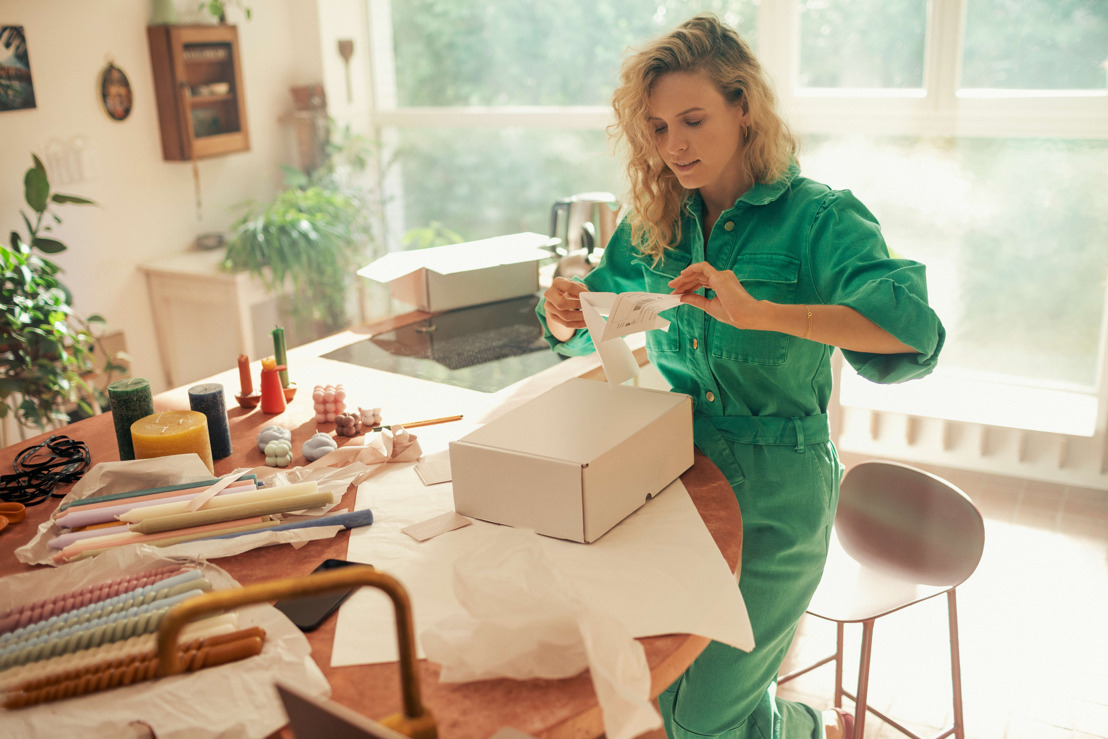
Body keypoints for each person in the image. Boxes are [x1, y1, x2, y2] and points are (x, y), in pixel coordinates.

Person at [536, 13, 945, 739]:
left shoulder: (819, 219)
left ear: (744, 106)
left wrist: (763, 314)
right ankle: (799, 725)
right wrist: (566, 311)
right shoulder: (652, 225)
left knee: (699, 720)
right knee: (661, 697)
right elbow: (592, 326)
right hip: (675, 485)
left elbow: (914, 333)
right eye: (658, 128)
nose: (675, 146)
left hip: (780, 499)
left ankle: (802, 727)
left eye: (692, 119)